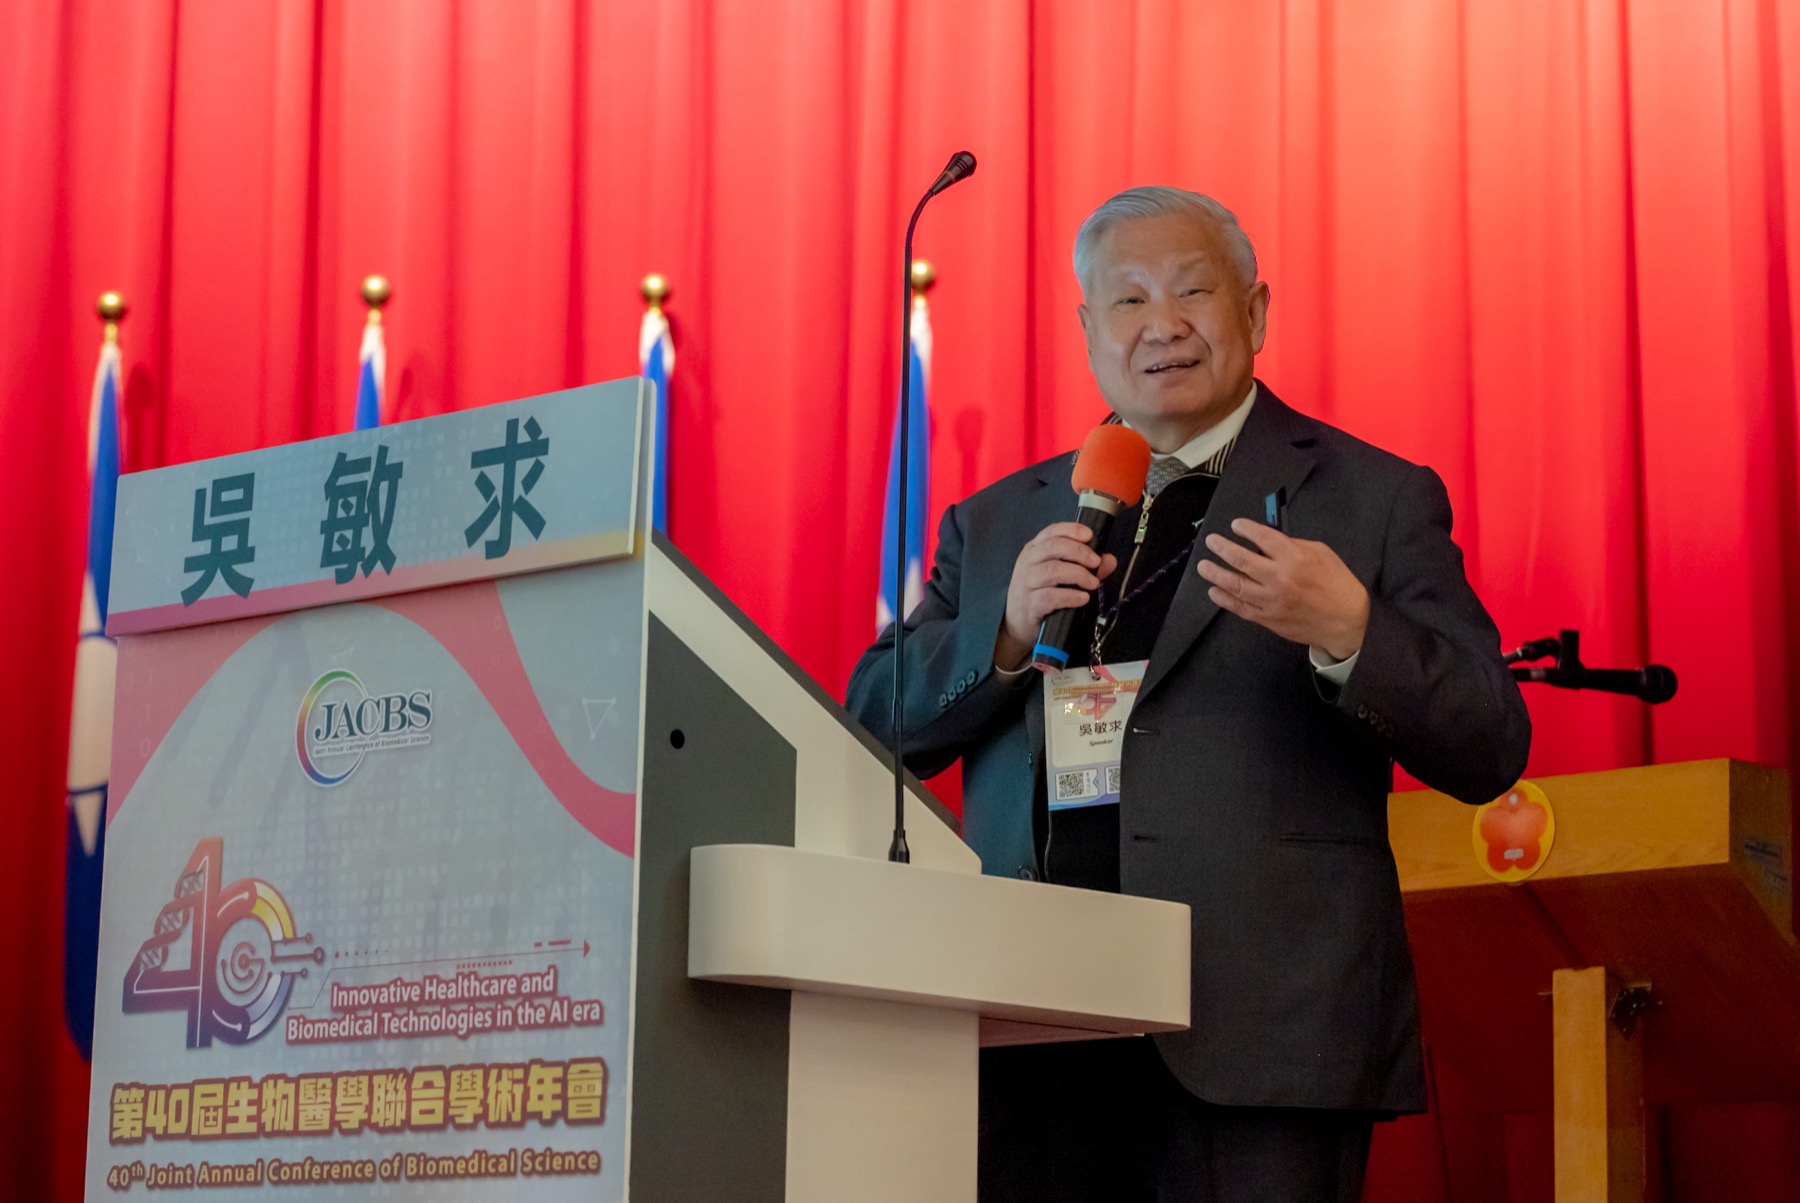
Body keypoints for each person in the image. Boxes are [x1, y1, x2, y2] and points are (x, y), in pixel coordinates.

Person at [844, 186, 1531, 1203]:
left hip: (1258, 1032)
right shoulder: (997, 521)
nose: (1161, 324)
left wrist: (1353, 631)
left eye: (1193, 291)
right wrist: (1005, 632)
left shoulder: (1370, 497)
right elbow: (871, 722)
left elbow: (1491, 741)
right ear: (1089, 331)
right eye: (1128, 300)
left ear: (1254, 312)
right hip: (1032, 1028)